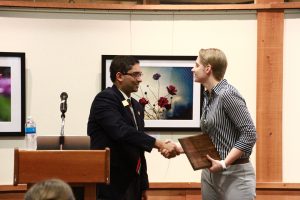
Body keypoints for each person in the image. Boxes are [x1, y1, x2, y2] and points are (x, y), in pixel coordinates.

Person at [87, 55, 179, 200]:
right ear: (119, 76)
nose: (140, 79)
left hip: (133, 184)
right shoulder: (105, 99)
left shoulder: (136, 106)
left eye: (140, 74)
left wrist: (143, 185)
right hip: (110, 184)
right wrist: (159, 144)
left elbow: (138, 149)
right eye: (135, 74)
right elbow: (121, 131)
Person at [191, 48, 257, 200]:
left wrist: (224, 163)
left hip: (235, 175)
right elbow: (211, 138)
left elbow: (249, 134)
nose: (192, 69)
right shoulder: (208, 95)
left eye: (196, 65)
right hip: (210, 174)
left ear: (208, 69)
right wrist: (180, 148)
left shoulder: (227, 94)